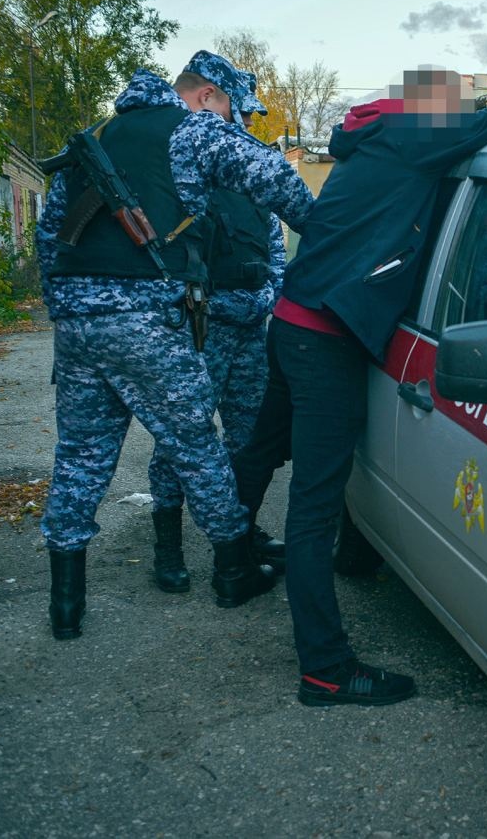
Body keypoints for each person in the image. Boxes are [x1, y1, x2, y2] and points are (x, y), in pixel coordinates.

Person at [231, 68, 487, 706]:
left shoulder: (378, 133)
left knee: (261, 449)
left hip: (294, 316)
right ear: (436, 109)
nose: (465, 111)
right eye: (458, 103)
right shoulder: (416, 134)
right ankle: (325, 670)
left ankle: (231, 563)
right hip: (327, 337)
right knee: (313, 510)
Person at [36, 51, 314, 640]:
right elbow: (275, 178)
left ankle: (66, 606)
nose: (232, 117)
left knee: (81, 456)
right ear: (210, 95)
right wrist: (326, 227)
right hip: (144, 319)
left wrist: (64, 307)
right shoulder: (192, 131)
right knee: (195, 445)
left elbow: (49, 233)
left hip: (79, 326)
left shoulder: (96, 138)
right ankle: (235, 570)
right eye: (230, 105)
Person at [144, 70, 287, 593]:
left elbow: (275, 244)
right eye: (239, 111)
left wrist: (269, 293)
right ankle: (169, 547)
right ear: (210, 99)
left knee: (248, 438)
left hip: (251, 325)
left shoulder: (248, 172)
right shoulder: (180, 167)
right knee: (181, 439)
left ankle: (240, 536)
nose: (243, 122)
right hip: (200, 327)